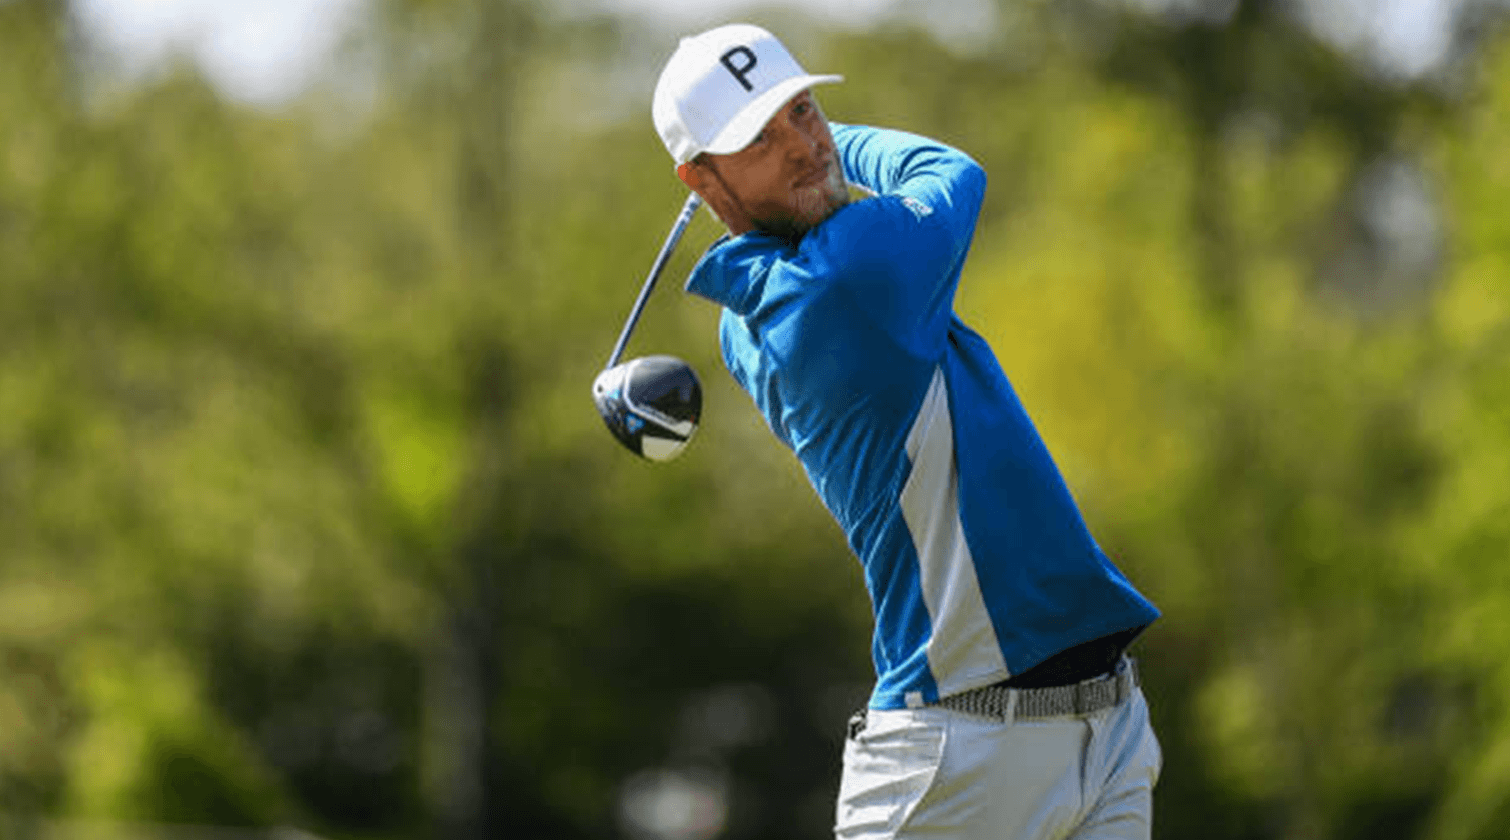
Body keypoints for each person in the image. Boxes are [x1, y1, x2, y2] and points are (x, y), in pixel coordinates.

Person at [652, 23, 1163, 840]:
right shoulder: (849, 278)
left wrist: (789, 156)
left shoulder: (753, 307)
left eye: (804, 111)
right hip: (954, 762)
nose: (803, 146)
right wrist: (840, 145)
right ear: (702, 181)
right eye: (759, 139)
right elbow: (950, 170)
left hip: (1106, 731)